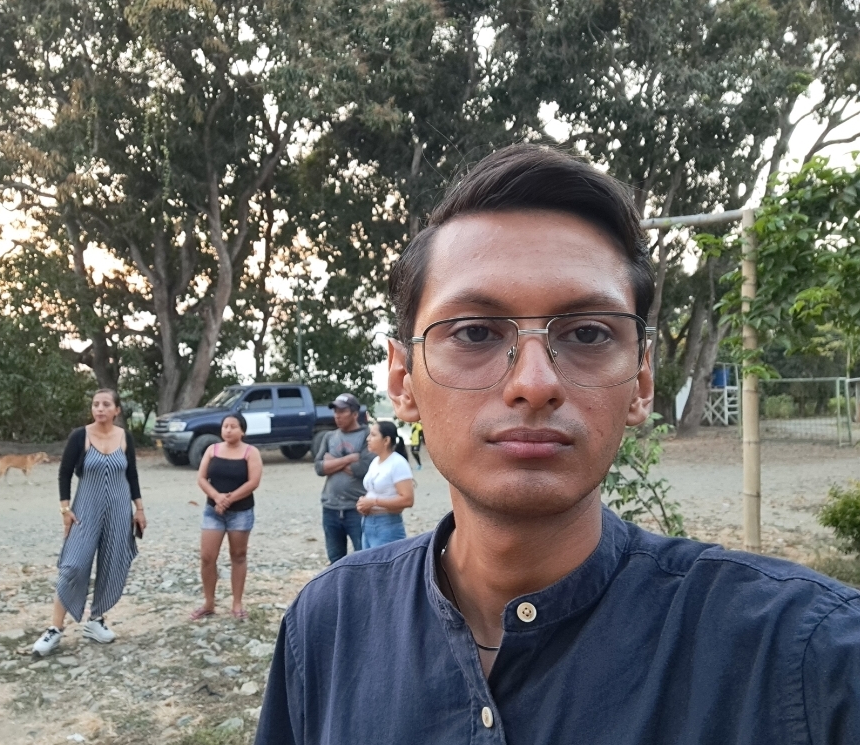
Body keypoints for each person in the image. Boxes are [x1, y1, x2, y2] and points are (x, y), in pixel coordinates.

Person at [256, 145, 860, 744]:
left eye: (588, 334)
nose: (535, 384)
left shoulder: (808, 661)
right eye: (474, 332)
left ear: (641, 381)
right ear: (401, 381)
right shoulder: (328, 625)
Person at [33, 389, 147, 655]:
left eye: (106, 404)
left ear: (117, 410)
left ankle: (96, 620)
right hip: (85, 509)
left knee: (112, 562)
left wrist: (139, 509)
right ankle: (54, 629)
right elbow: (64, 474)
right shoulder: (80, 436)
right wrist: (65, 509)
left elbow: (132, 475)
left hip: (119, 509)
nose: (100, 409)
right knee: (73, 565)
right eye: (96, 404)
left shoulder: (124, 437)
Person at [189, 413, 263, 621]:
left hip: (241, 512)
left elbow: (253, 482)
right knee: (207, 557)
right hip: (213, 512)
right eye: (225, 426)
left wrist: (228, 500)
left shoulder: (251, 452)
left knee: (238, 556)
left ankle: (237, 603)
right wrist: (217, 497)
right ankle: (209, 603)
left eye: (233, 426)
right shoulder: (212, 450)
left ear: (242, 430)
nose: (228, 430)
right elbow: (201, 478)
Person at [314, 392, 376, 563]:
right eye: (335, 411)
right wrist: (349, 459)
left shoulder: (367, 435)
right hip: (330, 507)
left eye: (342, 411)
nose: (337, 415)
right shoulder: (329, 437)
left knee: (363, 557)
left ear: (355, 414)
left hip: (357, 508)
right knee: (335, 559)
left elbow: (364, 468)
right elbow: (319, 467)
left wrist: (332, 463)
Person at [356, 420, 415, 549]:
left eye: (373, 435)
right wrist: (364, 504)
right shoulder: (375, 462)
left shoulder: (398, 463)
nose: (368, 439)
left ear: (386, 440)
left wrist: (374, 502)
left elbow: (407, 499)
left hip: (387, 525)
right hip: (368, 523)